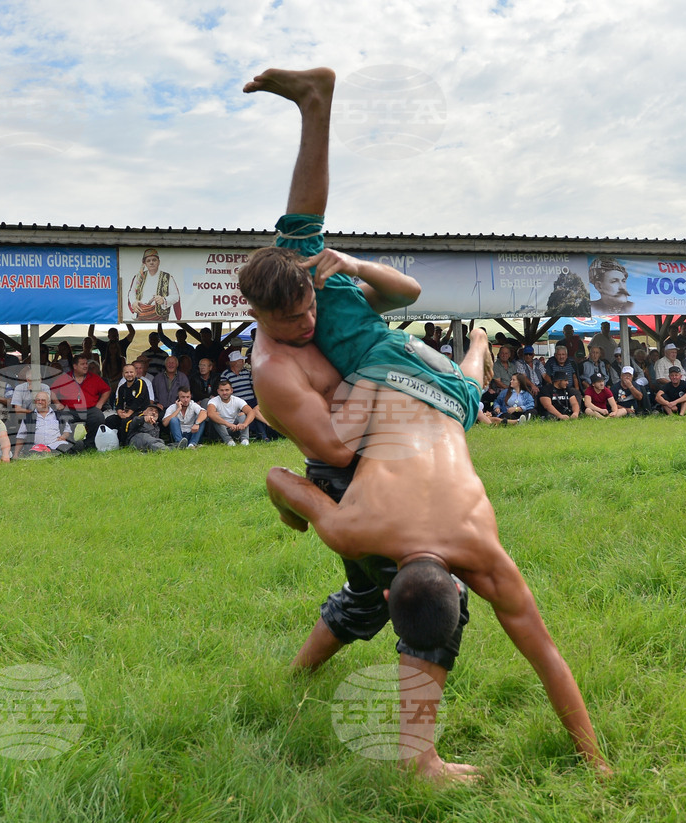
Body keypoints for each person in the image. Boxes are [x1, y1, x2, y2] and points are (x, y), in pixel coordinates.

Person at [240, 67, 608, 779]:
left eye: (310, 307)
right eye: (294, 320)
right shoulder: (277, 379)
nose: (308, 319)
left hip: (411, 386)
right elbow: (322, 455)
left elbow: (282, 470)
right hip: (411, 386)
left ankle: (316, 105)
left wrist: (365, 398)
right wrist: (596, 761)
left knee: (367, 590)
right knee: (371, 584)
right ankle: (475, 347)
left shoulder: (301, 309)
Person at [49, 354, 112, 450]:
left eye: (86, 363)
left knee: (98, 417)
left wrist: (100, 404)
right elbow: (52, 391)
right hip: (69, 409)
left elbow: (107, 390)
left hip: (90, 409)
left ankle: (90, 444)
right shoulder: (64, 378)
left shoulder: (94, 378)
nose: (86, 366)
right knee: (60, 417)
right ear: (75, 366)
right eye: (82, 364)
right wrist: (57, 403)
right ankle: (68, 444)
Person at [13, 391, 73, 457]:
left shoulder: (59, 415)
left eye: (43, 400)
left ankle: (50, 452)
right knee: (33, 453)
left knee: (73, 446)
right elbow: (21, 437)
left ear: (49, 402)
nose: (40, 402)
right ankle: (48, 454)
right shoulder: (28, 418)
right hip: (37, 448)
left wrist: (64, 436)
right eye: (37, 400)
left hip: (56, 445)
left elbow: (67, 430)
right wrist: (15, 455)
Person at [127, 248, 180, 321]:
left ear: (159, 262)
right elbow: (132, 292)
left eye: (154, 260)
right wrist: (133, 302)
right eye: (148, 261)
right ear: (145, 263)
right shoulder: (139, 277)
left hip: (160, 316)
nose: (151, 262)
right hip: (142, 314)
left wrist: (164, 300)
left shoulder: (167, 277)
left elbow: (176, 296)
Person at [207, 379, 255, 445]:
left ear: (231, 390)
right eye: (222, 390)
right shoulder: (213, 401)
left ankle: (245, 440)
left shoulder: (237, 400)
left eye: (227, 390)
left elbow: (251, 412)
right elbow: (210, 414)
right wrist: (228, 424)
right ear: (218, 391)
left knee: (243, 415)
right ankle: (229, 441)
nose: (224, 393)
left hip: (234, 428)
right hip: (219, 430)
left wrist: (245, 424)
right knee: (215, 417)